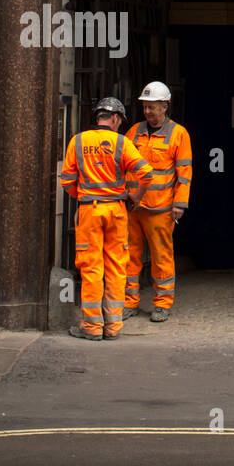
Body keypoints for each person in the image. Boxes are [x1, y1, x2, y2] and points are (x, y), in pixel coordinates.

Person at [59, 97, 153, 340]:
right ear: (115, 118)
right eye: (120, 120)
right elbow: (147, 174)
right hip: (117, 211)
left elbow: (67, 182)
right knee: (116, 267)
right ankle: (112, 326)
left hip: (90, 210)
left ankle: (91, 327)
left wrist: (85, 195)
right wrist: (135, 197)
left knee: (91, 267)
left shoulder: (78, 141)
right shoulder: (121, 142)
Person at [123, 81, 193, 323]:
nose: (148, 112)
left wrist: (179, 205)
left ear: (165, 106)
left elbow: (184, 172)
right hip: (134, 207)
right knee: (130, 256)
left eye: (152, 107)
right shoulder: (134, 132)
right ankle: (128, 302)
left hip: (161, 209)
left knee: (161, 257)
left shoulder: (179, 134)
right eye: (145, 107)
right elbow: (124, 165)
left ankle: (163, 304)